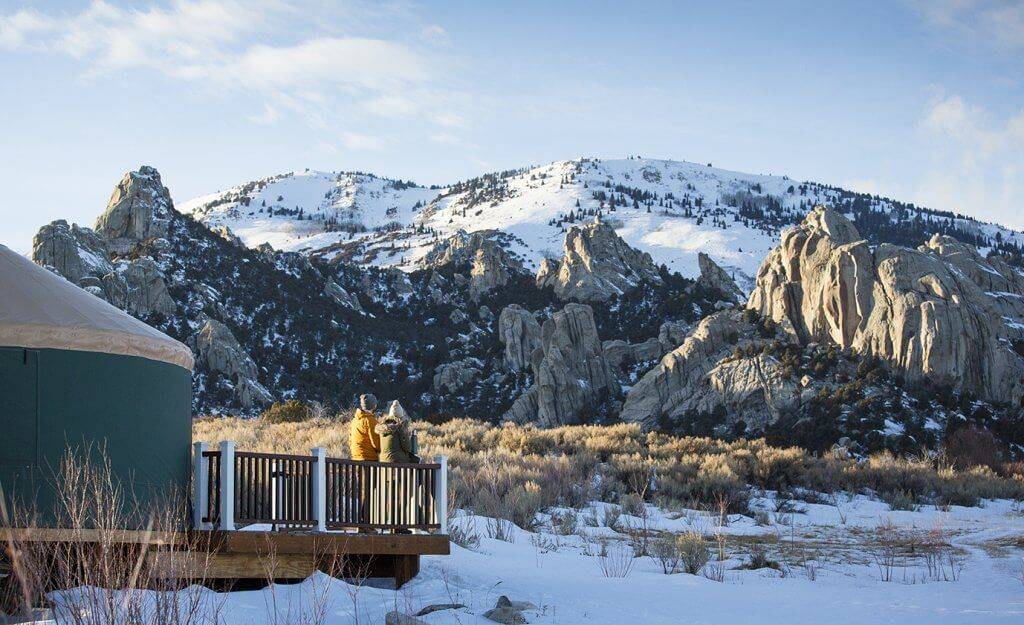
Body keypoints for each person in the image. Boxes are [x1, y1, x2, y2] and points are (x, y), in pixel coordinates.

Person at [349, 394, 381, 461]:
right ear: (374, 406)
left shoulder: (354, 420)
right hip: (368, 458)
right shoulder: (371, 421)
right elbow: (376, 443)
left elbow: (350, 439)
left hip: (355, 457)